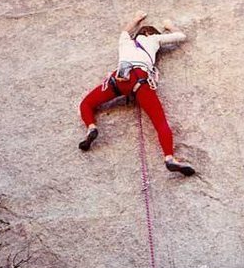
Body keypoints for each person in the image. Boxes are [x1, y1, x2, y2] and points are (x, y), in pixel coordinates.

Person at [78, 11, 195, 176]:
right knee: (160, 122)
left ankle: (91, 127)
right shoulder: (152, 38)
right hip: (140, 81)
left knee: (86, 103)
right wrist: (169, 26)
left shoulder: (125, 41)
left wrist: (136, 18)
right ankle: (169, 158)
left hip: (118, 78)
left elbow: (125, 30)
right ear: (149, 33)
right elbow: (181, 36)